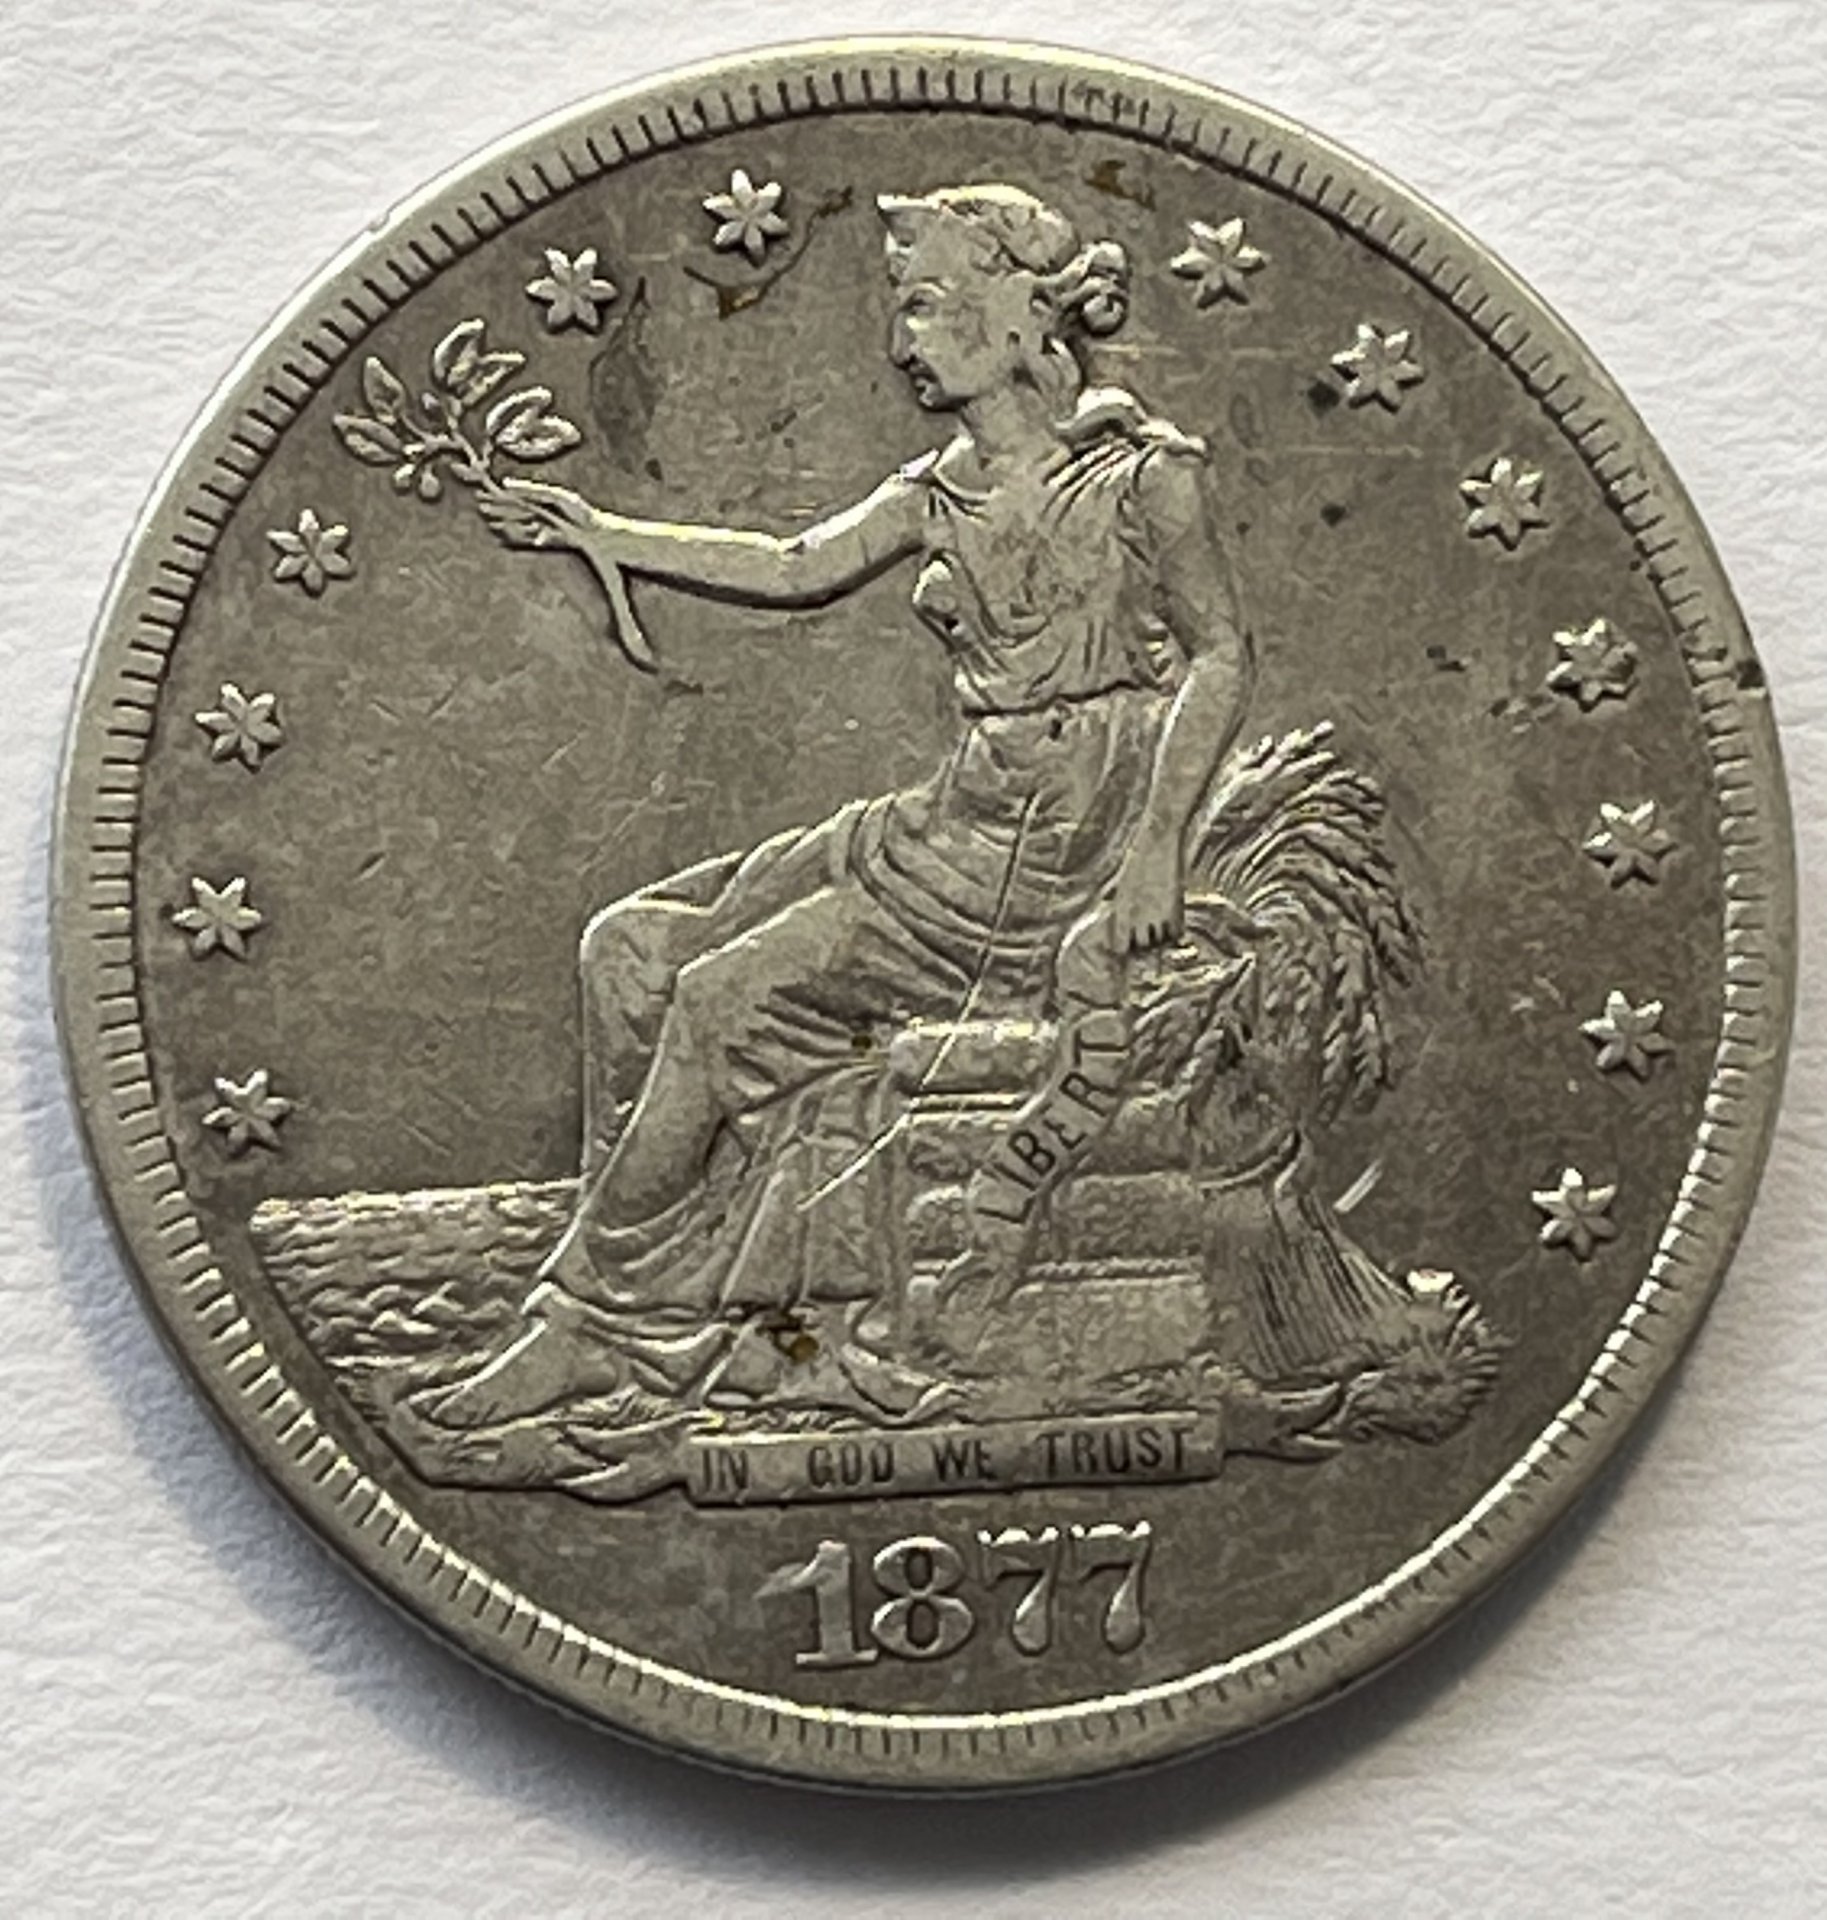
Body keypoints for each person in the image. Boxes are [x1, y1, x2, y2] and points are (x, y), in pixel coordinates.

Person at [426, 183, 1251, 1430]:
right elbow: (793, 567)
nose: (897, 341)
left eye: (923, 305)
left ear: (1022, 313)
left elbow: (1221, 657)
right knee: (632, 949)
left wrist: (1157, 851)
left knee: (716, 1000)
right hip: (953, 823)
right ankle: (690, 1305)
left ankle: (588, 1323)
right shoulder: (937, 492)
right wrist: (604, 534)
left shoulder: (1144, 481)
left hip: (1055, 850)